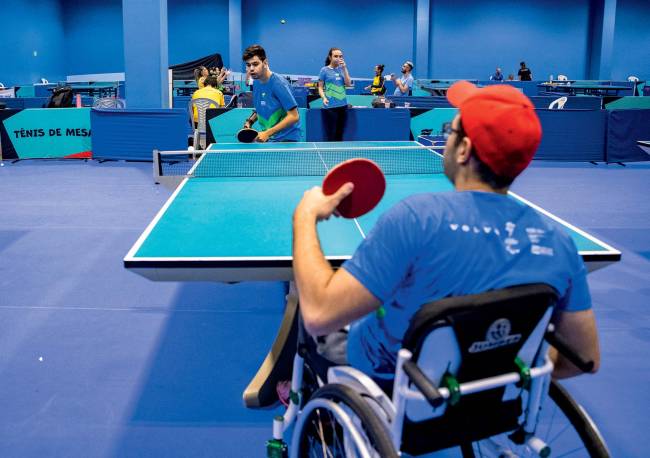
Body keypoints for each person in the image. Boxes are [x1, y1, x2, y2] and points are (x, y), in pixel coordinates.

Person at [292, 81, 600, 382]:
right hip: (484, 391)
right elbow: (584, 358)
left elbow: (320, 314)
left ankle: (276, 387)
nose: (447, 138)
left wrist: (305, 215)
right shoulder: (558, 243)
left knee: (301, 293)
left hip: (389, 378)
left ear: (463, 149)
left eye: (451, 131)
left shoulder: (415, 219)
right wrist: (496, 368)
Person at [241, 44, 301, 142]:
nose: (251, 68)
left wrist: (268, 133)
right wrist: (249, 122)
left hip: (286, 140)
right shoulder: (256, 82)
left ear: (265, 63)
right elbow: (260, 108)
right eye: (248, 65)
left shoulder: (278, 83)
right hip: (270, 139)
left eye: (255, 64)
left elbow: (294, 116)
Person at [318, 47, 352, 141]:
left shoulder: (342, 70)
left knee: (340, 133)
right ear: (330, 57)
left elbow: (348, 84)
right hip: (330, 107)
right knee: (331, 135)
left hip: (343, 106)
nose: (338, 58)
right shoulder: (324, 70)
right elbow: (320, 87)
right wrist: (323, 97)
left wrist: (344, 68)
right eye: (335, 56)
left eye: (340, 56)